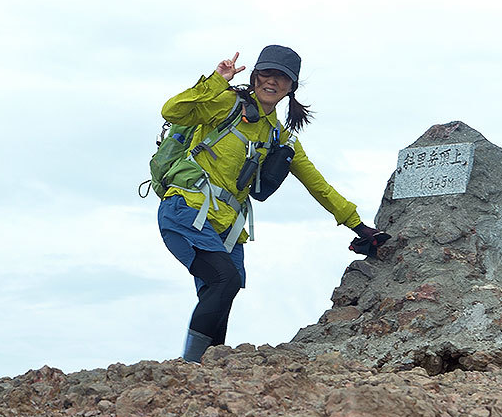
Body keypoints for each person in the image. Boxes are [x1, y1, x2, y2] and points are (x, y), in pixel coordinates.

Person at [158, 45, 383, 362]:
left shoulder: (280, 137)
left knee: (220, 291)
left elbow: (318, 185)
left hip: (228, 227)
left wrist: (359, 227)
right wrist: (216, 80)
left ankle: (208, 367)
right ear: (254, 75)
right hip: (185, 209)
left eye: (282, 77)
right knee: (225, 280)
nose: (272, 81)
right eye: (267, 73)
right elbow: (171, 111)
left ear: (291, 87)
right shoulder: (223, 103)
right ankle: (191, 367)